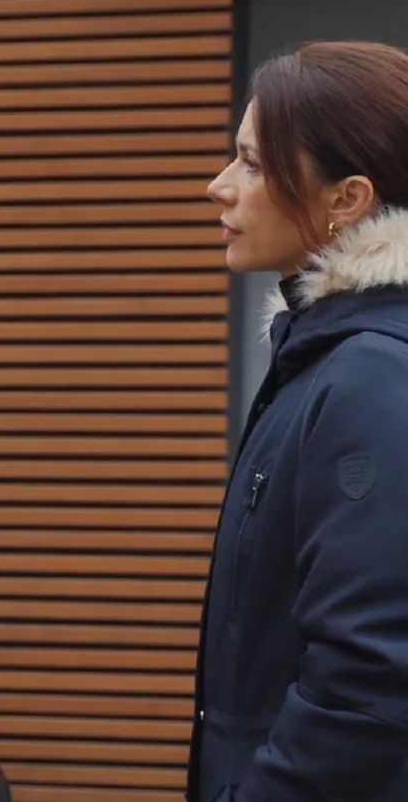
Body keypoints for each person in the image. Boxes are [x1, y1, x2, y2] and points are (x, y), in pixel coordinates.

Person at [188, 39, 408, 802]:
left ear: (347, 199)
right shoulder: (329, 357)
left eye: (252, 164)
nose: (219, 186)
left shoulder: (369, 375)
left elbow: (370, 679)